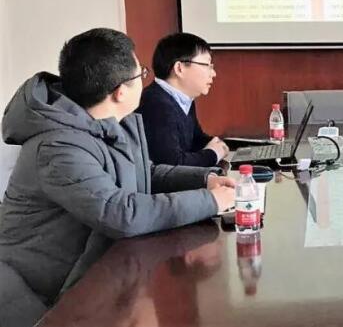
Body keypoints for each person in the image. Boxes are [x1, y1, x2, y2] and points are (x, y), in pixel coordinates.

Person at [0, 28, 236, 324]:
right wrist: (211, 201)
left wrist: (205, 179)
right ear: (120, 92)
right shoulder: (58, 147)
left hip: (93, 279)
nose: (145, 82)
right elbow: (121, 213)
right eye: (141, 75)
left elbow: (146, 173)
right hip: (39, 298)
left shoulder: (107, 122)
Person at [136, 32, 229, 167]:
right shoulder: (156, 105)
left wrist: (219, 144)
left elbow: (195, 140)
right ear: (179, 68)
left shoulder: (181, 97)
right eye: (207, 65)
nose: (213, 73)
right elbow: (172, 164)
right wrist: (213, 154)